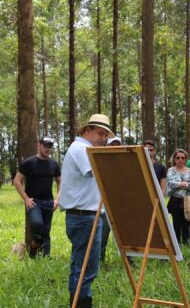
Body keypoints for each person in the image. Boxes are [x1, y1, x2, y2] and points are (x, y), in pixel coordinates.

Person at [58, 114, 113, 308]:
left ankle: (77, 302)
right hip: (84, 218)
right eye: (100, 133)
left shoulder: (83, 148)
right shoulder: (82, 149)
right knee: (86, 268)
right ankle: (81, 304)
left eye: (106, 135)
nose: (103, 139)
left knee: (81, 266)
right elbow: (98, 172)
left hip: (84, 217)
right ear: (86, 130)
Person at [13, 137, 61, 257]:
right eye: (45, 146)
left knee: (46, 231)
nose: (47, 149)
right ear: (39, 145)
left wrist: (57, 199)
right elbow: (17, 181)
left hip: (49, 202)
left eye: (49, 147)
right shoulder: (29, 162)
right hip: (34, 202)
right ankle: (35, 243)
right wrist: (26, 198)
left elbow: (60, 182)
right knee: (37, 223)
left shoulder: (54, 164)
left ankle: (45, 257)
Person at [99, 136, 122, 262]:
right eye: (112, 144)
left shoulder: (125, 164)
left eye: (117, 144)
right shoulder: (100, 162)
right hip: (104, 207)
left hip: (120, 206)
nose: (115, 147)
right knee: (102, 235)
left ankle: (128, 261)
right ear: (107, 146)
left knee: (125, 237)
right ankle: (98, 261)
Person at [166, 149, 190, 245]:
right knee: (176, 225)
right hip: (175, 201)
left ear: (186, 159)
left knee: (186, 225)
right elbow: (170, 183)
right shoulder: (171, 170)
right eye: (178, 158)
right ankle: (177, 247)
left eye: (182, 158)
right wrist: (182, 183)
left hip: (188, 201)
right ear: (174, 159)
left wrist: (180, 184)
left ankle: (186, 246)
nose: (180, 160)